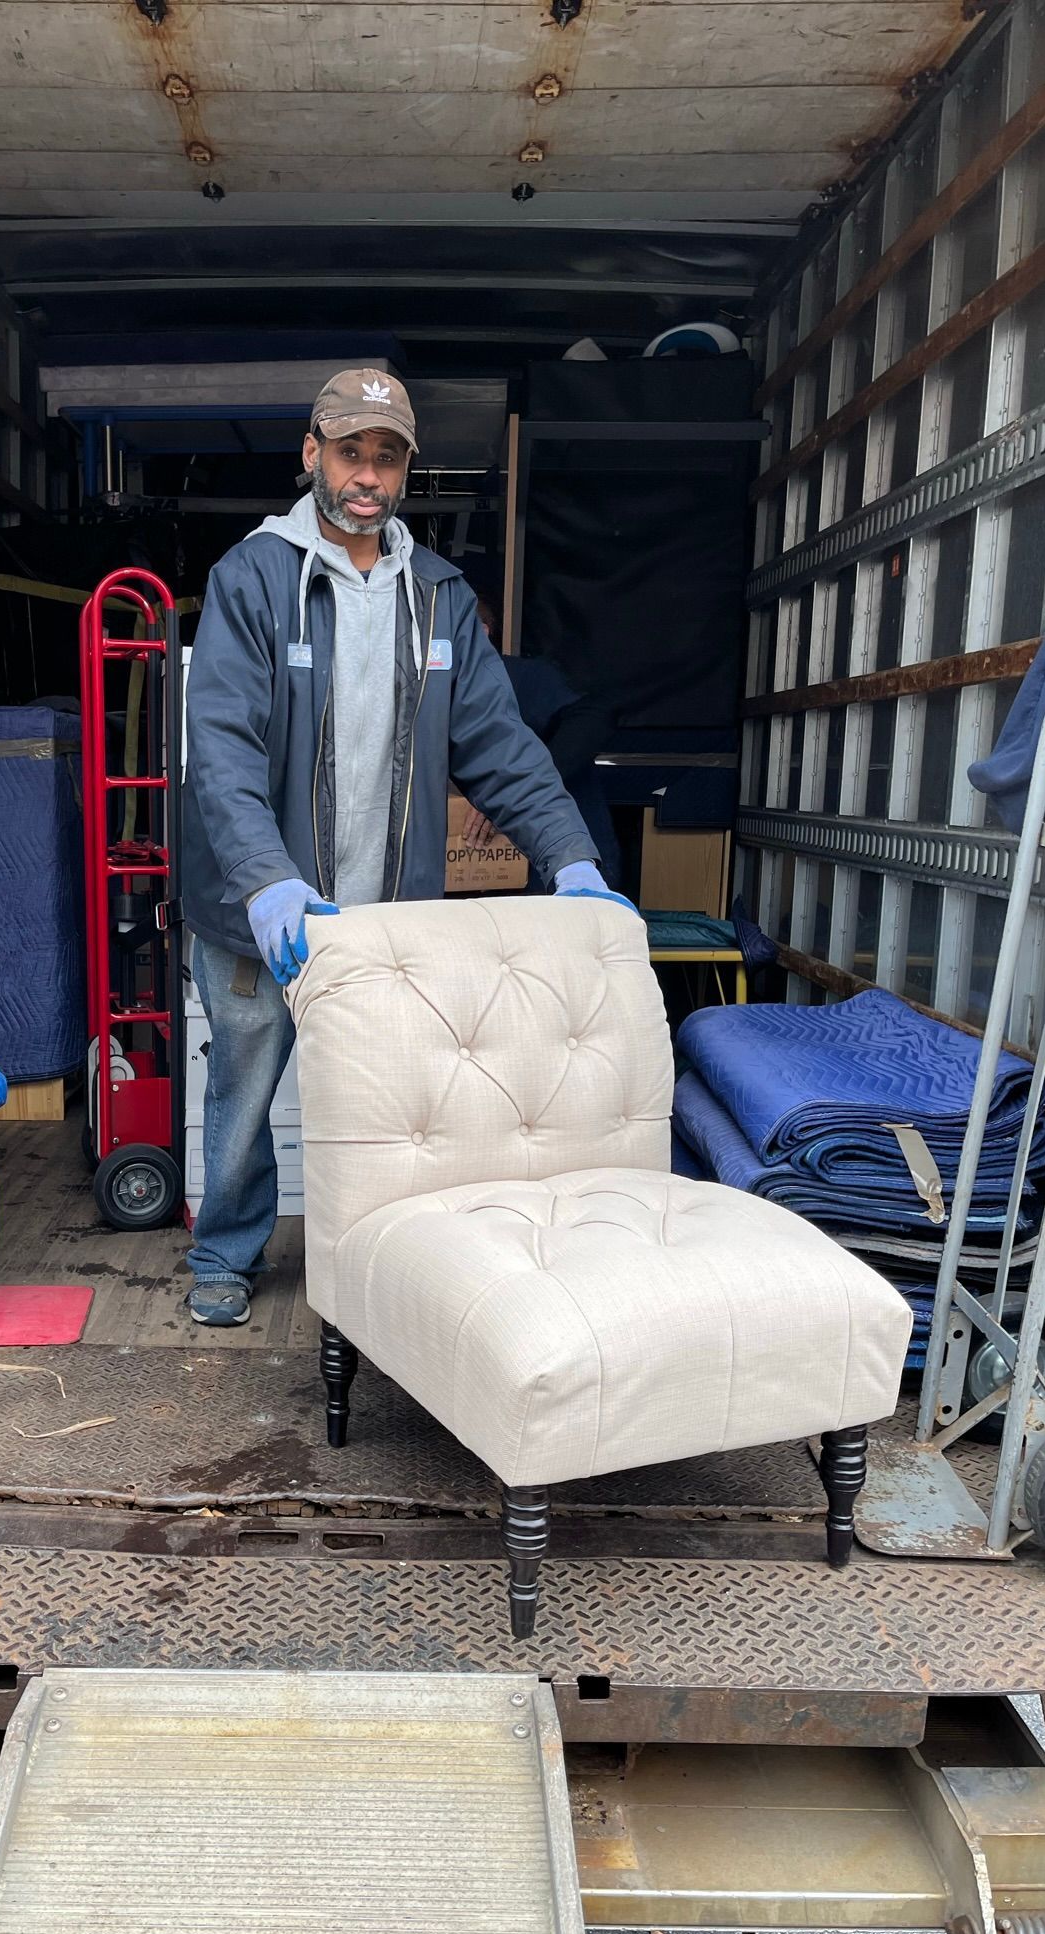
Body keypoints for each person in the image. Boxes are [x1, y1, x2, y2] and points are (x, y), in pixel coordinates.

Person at [178, 367, 632, 1327]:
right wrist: (265, 881)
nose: (367, 475)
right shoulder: (253, 577)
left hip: (386, 916)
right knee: (245, 1092)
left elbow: (500, 745)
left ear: (405, 470)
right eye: (350, 453)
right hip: (269, 917)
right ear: (312, 455)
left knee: (390, 1105)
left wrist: (572, 858)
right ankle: (224, 1252)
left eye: (387, 457)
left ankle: (385, 1266)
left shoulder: (437, 595)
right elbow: (219, 744)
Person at [459, 593, 623, 887]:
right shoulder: (435, 691)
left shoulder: (518, 676)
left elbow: (594, 716)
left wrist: (521, 782)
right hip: (481, 871)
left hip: (568, 858)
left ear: (481, 632)